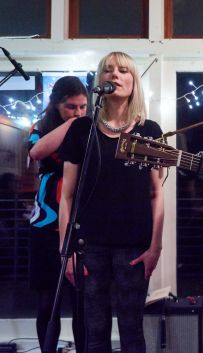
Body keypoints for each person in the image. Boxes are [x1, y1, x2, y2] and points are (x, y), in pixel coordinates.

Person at [59, 51, 165, 353]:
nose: (114, 75)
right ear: (99, 80)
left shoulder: (149, 131)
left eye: (122, 70)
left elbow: (156, 193)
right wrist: (65, 250)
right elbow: (67, 195)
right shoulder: (82, 129)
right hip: (88, 246)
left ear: (134, 81)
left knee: (132, 331)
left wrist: (155, 246)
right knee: (95, 331)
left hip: (135, 247)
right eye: (107, 70)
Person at [28, 76, 88, 353]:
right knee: (47, 303)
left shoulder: (90, 129)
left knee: (82, 304)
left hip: (81, 226)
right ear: (56, 105)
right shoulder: (41, 127)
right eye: (71, 107)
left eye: (83, 107)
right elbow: (37, 152)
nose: (78, 113)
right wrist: (71, 125)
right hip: (45, 225)